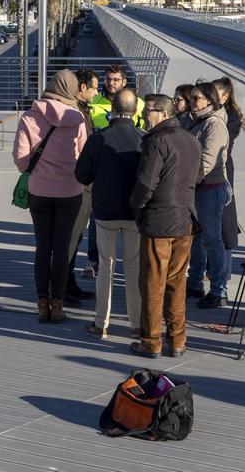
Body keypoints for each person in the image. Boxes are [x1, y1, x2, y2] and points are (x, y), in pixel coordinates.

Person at [12, 69, 90, 324]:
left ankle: (42, 303)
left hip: (39, 191)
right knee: (62, 248)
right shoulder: (76, 118)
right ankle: (58, 305)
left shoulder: (29, 117)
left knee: (42, 247)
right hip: (70, 192)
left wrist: (36, 172)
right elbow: (84, 156)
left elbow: (21, 158)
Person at [129, 94, 203, 359]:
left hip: (159, 220)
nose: (145, 115)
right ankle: (178, 339)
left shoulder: (156, 141)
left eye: (148, 111)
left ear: (162, 113)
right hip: (185, 218)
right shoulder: (191, 139)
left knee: (152, 282)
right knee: (176, 282)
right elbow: (199, 176)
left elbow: (146, 183)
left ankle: (151, 341)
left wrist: (136, 206)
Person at [75, 89, 145, 340]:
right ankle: (136, 323)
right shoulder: (144, 138)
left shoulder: (98, 139)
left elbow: (81, 174)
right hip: (134, 212)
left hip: (104, 212)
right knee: (134, 267)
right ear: (135, 111)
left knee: (106, 266)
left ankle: (100, 322)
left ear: (111, 109)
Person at [184, 81, 232, 309]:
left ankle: (219, 290)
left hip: (210, 187)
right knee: (196, 239)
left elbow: (207, 161)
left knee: (212, 239)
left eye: (197, 98)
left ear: (210, 101)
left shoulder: (214, 125)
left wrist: (185, 183)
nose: (192, 102)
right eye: (191, 97)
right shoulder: (194, 121)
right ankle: (194, 283)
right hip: (196, 188)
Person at [64, 68, 100, 306]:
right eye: (95, 87)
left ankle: (68, 284)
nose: (97, 93)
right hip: (77, 183)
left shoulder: (82, 111)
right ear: (83, 87)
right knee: (71, 237)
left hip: (82, 182)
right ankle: (63, 288)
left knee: (75, 237)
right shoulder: (74, 112)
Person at [213, 76, 245, 261]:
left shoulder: (231, 116)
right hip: (212, 164)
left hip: (223, 165)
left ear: (225, 96)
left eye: (215, 93)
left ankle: (225, 256)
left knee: (225, 208)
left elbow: (225, 138)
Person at [88, 64, 146, 130]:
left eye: (116, 80)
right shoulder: (93, 102)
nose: (111, 83)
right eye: (108, 79)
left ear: (124, 82)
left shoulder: (138, 103)